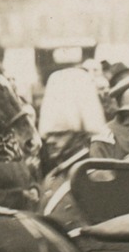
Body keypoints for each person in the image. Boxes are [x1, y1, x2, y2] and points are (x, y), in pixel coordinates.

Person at [36, 67, 110, 226]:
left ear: (80, 135)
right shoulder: (52, 178)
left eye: (60, 134)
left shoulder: (95, 175)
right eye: (49, 135)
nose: (50, 141)